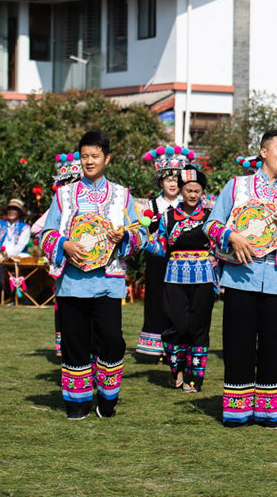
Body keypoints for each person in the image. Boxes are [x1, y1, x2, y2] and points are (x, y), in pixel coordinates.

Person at [204, 129, 277, 428]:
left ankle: (270, 413)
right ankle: (237, 412)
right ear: (263, 152)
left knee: (275, 346)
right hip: (241, 278)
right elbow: (210, 224)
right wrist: (232, 237)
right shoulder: (237, 186)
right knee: (238, 344)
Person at [40, 131, 145, 420]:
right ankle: (76, 403)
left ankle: (108, 399)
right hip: (72, 284)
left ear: (107, 158)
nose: (89, 161)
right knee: (75, 343)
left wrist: (123, 235)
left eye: (95, 156)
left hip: (108, 282)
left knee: (112, 342)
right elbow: (45, 233)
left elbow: (141, 233)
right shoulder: (63, 195)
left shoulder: (122, 195)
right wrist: (64, 244)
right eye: (84, 156)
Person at [144, 165, 215, 393]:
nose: (192, 195)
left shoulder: (209, 217)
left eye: (197, 190)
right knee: (178, 325)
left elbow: (219, 245)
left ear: (202, 192)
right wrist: (142, 242)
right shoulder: (167, 217)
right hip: (174, 277)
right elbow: (160, 247)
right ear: (181, 192)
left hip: (203, 277)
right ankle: (177, 370)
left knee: (199, 327)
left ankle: (194, 379)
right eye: (188, 190)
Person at [136, 146, 193, 362]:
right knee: (155, 301)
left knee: (179, 304)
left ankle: (176, 349)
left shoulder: (187, 206)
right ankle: (153, 349)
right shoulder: (150, 206)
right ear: (160, 181)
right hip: (157, 263)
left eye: (177, 179)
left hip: (180, 262)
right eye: (167, 179)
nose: (172, 183)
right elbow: (141, 235)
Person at [34, 152, 84, 357]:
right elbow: (37, 229)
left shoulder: (89, 203)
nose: (70, 186)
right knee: (68, 307)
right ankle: (71, 349)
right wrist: (59, 243)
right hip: (66, 264)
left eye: (74, 181)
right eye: (66, 182)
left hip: (92, 260)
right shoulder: (58, 205)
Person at [0, 198, 31, 300]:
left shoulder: (25, 227)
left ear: (19, 212)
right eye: (10, 209)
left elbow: (20, 246)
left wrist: (6, 255)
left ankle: (2, 294)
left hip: (16, 257)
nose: (12, 211)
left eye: (15, 209)